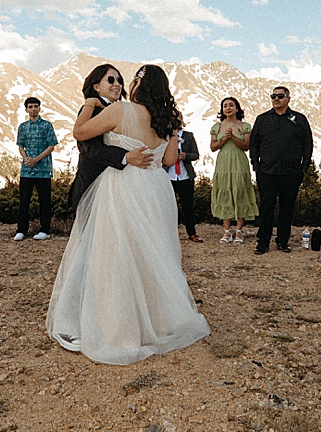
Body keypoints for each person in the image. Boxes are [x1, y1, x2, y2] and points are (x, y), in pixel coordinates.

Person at [47, 63, 211, 365]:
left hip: (124, 187)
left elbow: (80, 132)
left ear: (138, 83)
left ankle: (120, 327)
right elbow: (170, 160)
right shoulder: (169, 119)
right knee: (154, 253)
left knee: (116, 254)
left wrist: (88, 105)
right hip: (157, 190)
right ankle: (162, 321)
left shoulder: (122, 110)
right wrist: (173, 135)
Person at [67, 64, 154, 213]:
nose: (117, 84)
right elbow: (90, 148)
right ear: (96, 87)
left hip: (122, 184)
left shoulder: (125, 111)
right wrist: (125, 156)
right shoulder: (90, 110)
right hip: (94, 183)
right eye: (111, 80)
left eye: (119, 80)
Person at [249, 85, 313, 255]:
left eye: (280, 96)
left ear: (288, 99)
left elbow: (307, 144)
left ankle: (283, 241)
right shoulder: (262, 119)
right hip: (267, 172)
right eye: (273, 96)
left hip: (292, 172)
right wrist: (256, 165)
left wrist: (304, 168)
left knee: (287, 208)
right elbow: (254, 143)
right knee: (266, 208)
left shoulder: (299, 119)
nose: (276, 99)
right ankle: (262, 243)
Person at [210, 98, 257, 244]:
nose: (228, 108)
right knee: (224, 191)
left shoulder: (245, 126)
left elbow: (245, 146)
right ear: (222, 110)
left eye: (231, 105)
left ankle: (239, 231)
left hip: (238, 161)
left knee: (239, 192)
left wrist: (234, 136)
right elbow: (213, 147)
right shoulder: (217, 127)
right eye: (225, 106)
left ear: (237, 108)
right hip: (223, 161)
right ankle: (226, 231)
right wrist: (224, 139)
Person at [13, 96, 57, 241]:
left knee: (44, 200)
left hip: (43, 170)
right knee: (24, 200)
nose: (33, 109)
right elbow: (20, 145)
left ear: (39, 108)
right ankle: (21, 230)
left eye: (35, 106)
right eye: (30, 107)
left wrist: (37, 159)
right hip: (26, 169)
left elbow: (51, 146)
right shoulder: (23, 127)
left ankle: (45, 229)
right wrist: (26, 158)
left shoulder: (47, 125)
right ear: (26, 109)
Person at [167, 126, 201, 241]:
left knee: (188, 206)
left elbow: (196, 154)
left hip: (185, 176)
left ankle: (192, 233)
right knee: (168, 206)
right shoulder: (165, 135)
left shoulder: (188, 136)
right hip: (169, 176)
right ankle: (169, 234)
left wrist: (186, 156)